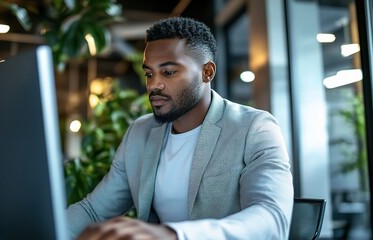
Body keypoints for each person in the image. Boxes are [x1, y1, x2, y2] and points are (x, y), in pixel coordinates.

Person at [66, 16, 294, 240]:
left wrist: (175, 234)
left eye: (168, 72)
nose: (154, 84)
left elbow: (272, 218)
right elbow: (94, 211)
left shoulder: (254, 127)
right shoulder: (140, 132)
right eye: (149, 73)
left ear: (207, 72)